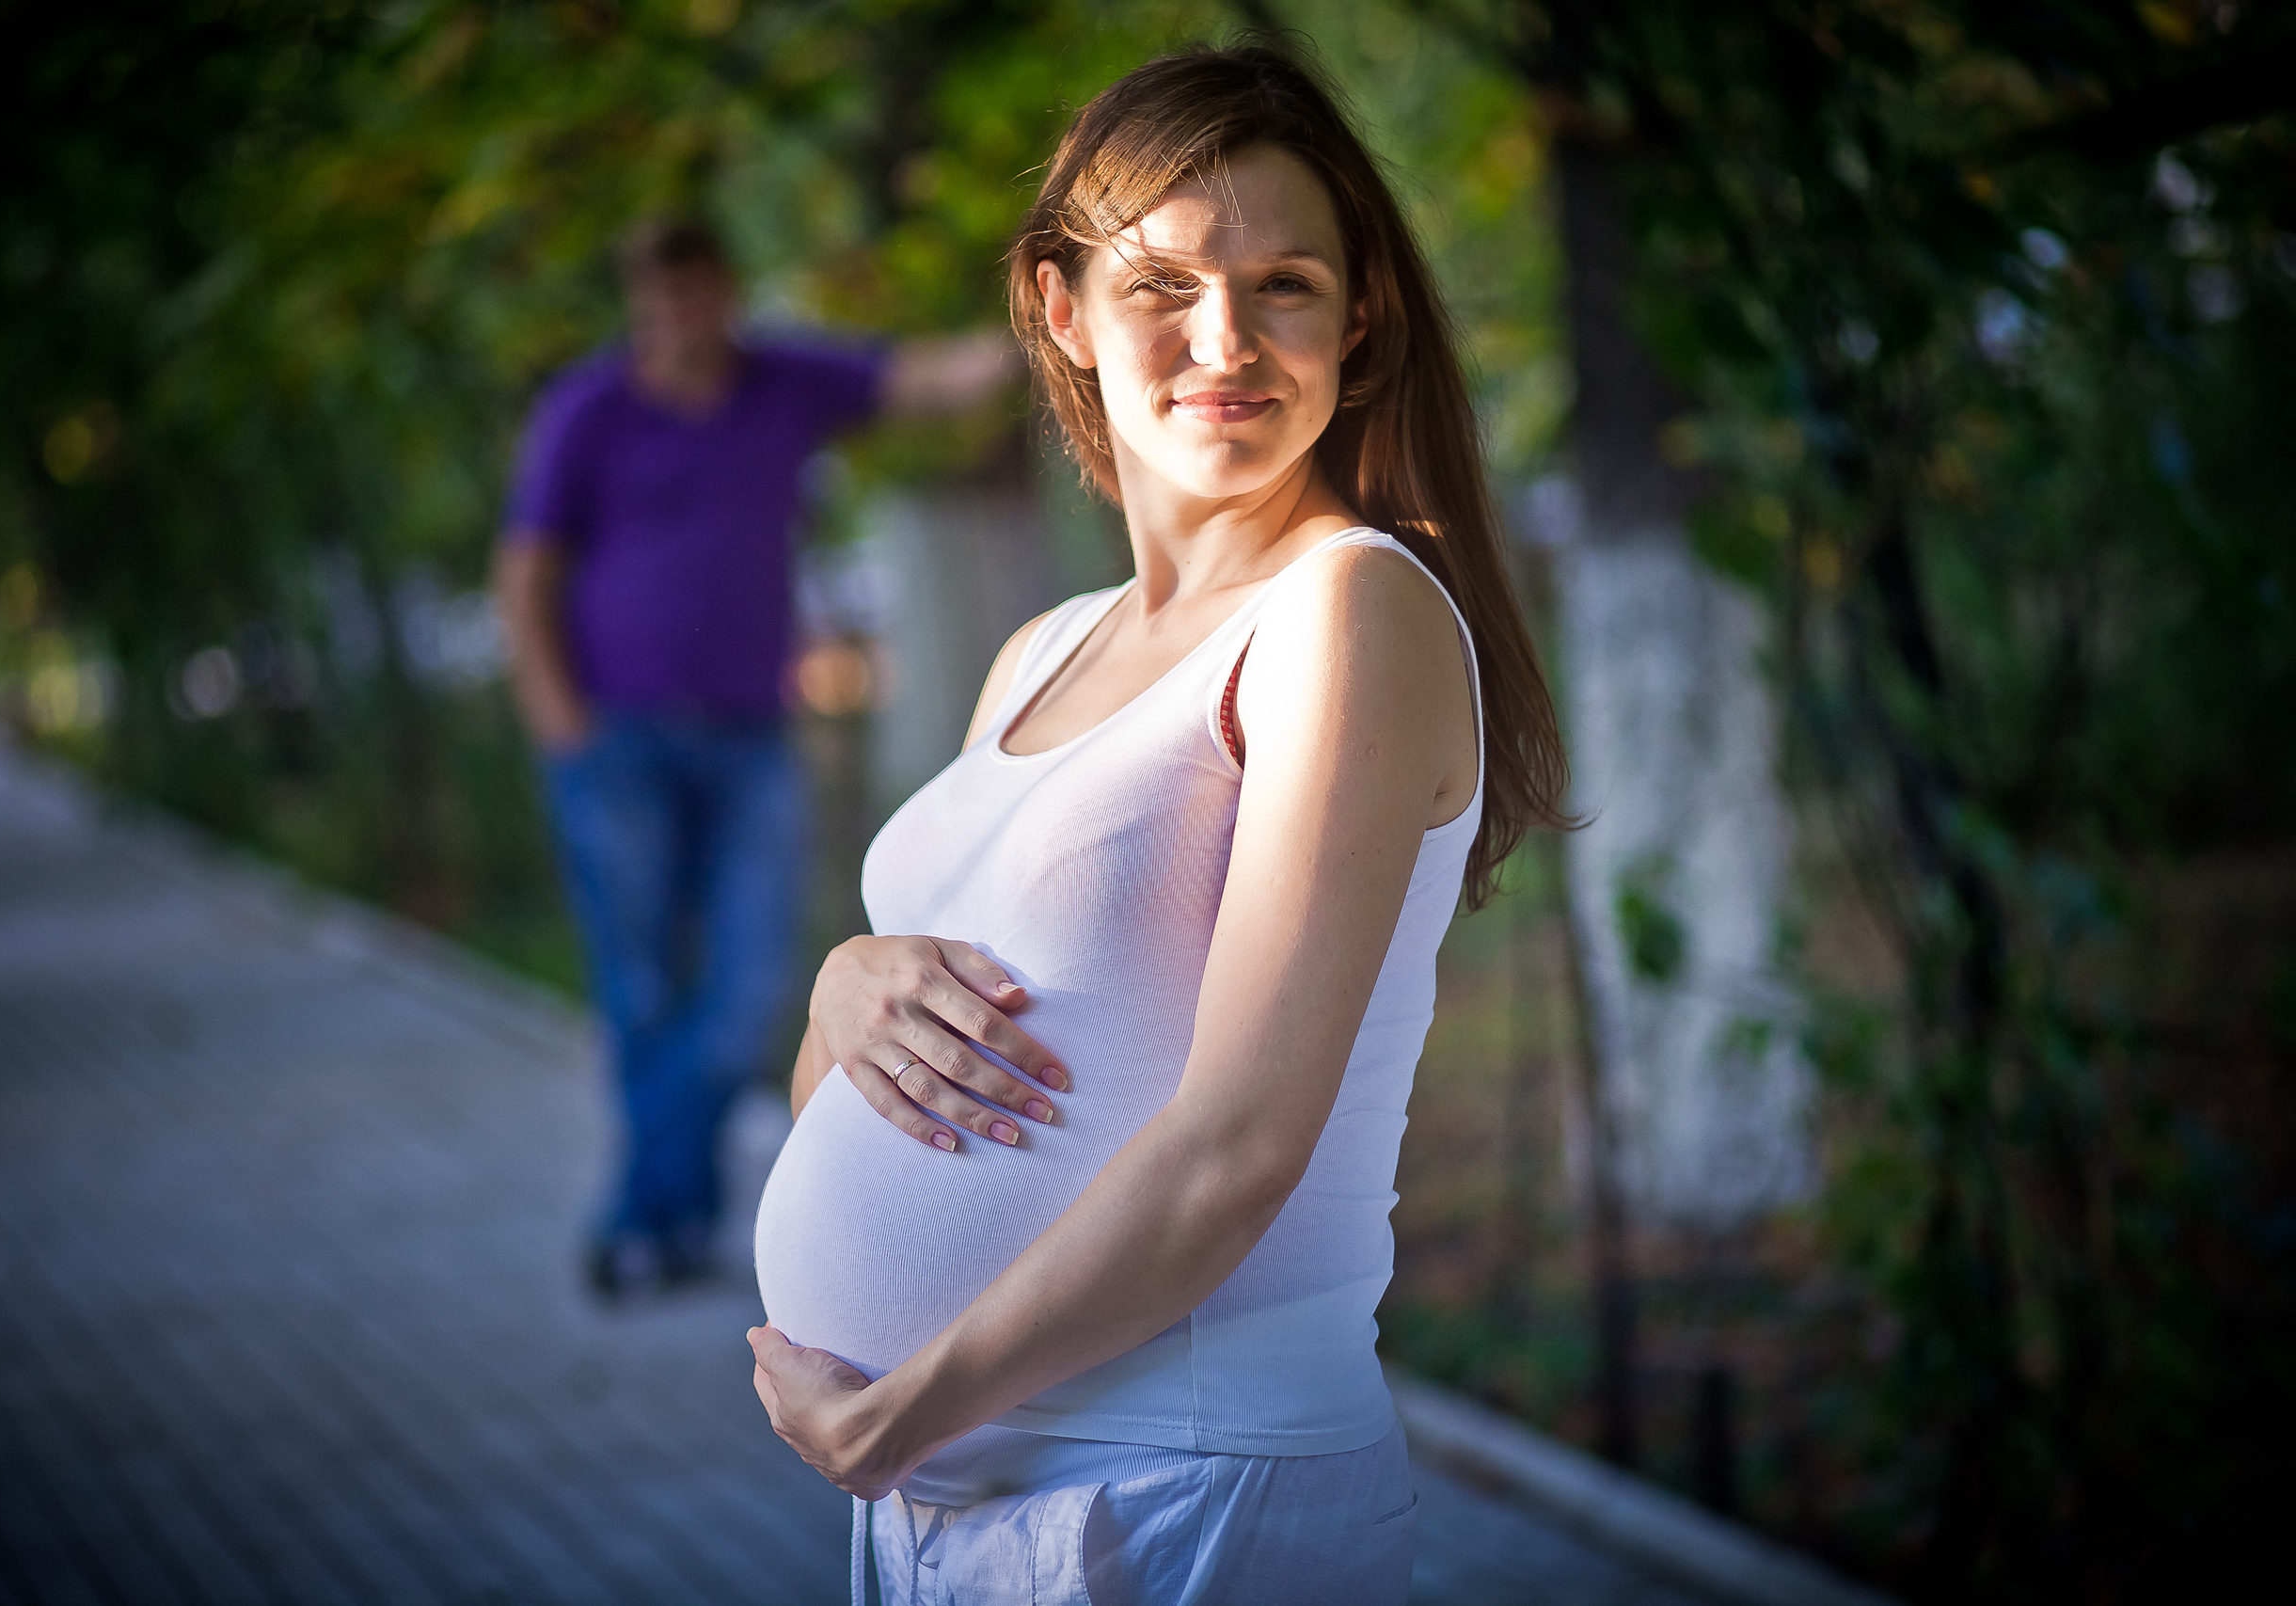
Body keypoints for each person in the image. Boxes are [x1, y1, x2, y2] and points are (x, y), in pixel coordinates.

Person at [745, 43, 1572, 1606]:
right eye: (1163, 285)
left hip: (1176, 1487)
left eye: (1285, 286)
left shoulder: (1348, 610)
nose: (1226, 341)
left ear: (1358, 317)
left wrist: (898, 1415)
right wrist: (841, 987)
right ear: (1060, 307)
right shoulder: (1040, 651)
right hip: (964, 1497)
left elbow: (1240, 1143)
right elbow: (886, 1079)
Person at [496, 221, 1014, 1298]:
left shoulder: (782, 383)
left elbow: (924, 378)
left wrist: (1066, 314)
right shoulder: (588, 410)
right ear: (638, 301)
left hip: (750, 742)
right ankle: (665, 1225)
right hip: (617, 741)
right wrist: (561, 729)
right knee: (642, 987)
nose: (680, 317)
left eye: (696, 292)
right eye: (659, 297)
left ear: (724, 290)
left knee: (747, 992)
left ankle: (643, 1215)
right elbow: (526, 571)